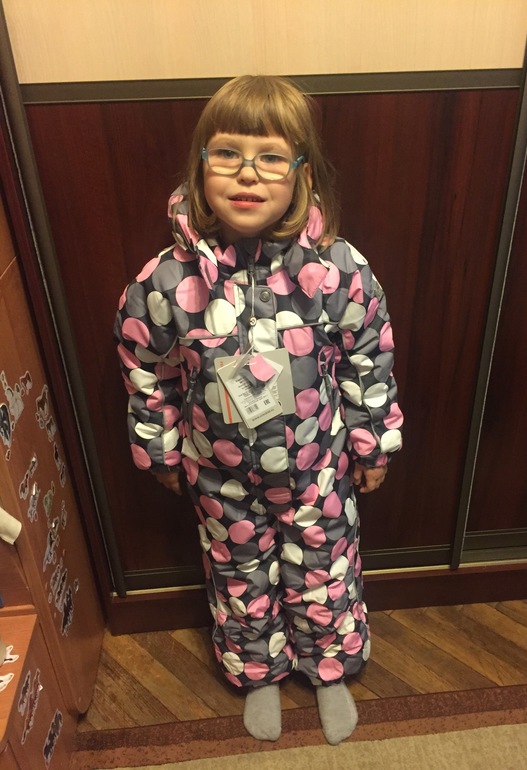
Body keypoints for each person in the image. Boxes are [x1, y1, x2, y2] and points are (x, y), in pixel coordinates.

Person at [114, 74, 403, 745]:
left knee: (325, 566)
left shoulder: (336, 269)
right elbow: (144, 367)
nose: (248, 173)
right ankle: (259, 672)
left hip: (318, 466)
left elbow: (369, 358)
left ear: (302, 173)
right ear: (201, 167)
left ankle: (327, 669)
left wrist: (373, 443)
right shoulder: (168, 282)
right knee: (238, 574)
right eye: (228, 154)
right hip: (219, 476)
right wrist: (159, 450)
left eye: (271, 157)